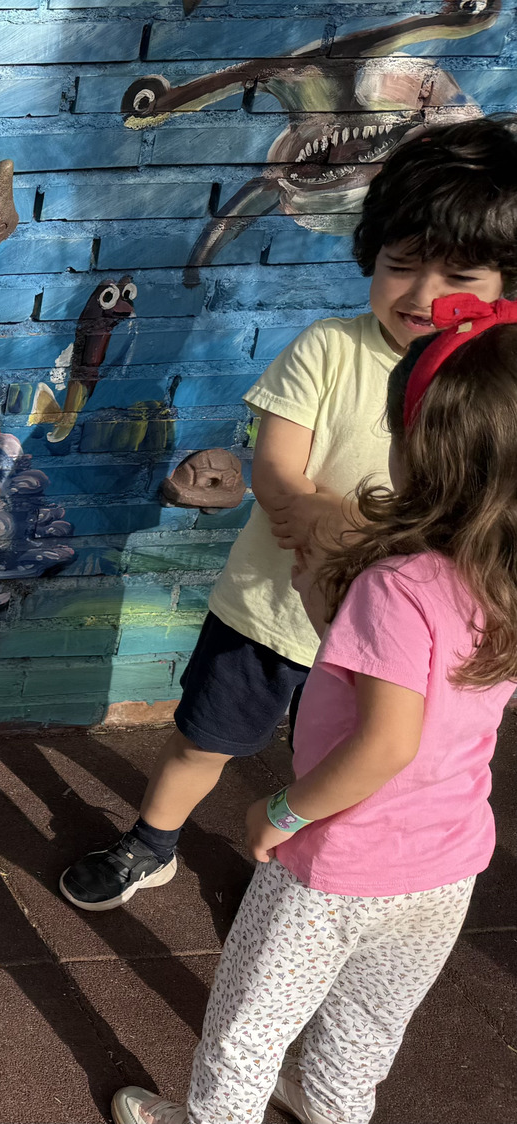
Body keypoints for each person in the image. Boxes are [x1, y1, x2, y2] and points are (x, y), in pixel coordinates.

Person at [59, 117, 517, 911]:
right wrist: (331, 528)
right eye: (400, 266)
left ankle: (293, 868)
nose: (422, 296)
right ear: (370, 257)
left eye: (459, 276)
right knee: (204, 739)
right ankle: (152, 843)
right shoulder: (330, 348)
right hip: (270, 614)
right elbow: (277, 471)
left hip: (392, 645)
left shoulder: (494, 379)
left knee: (338, 762)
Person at [112, 293, 517, 1124]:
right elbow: (431, 691)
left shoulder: (398, 584)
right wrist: (333, 608)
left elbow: (388, 743)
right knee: (363, 1036)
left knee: (247, 1031)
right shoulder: (499, 576)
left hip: (337, 865)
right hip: (448, 865)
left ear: (416, 447)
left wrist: (283, 811)